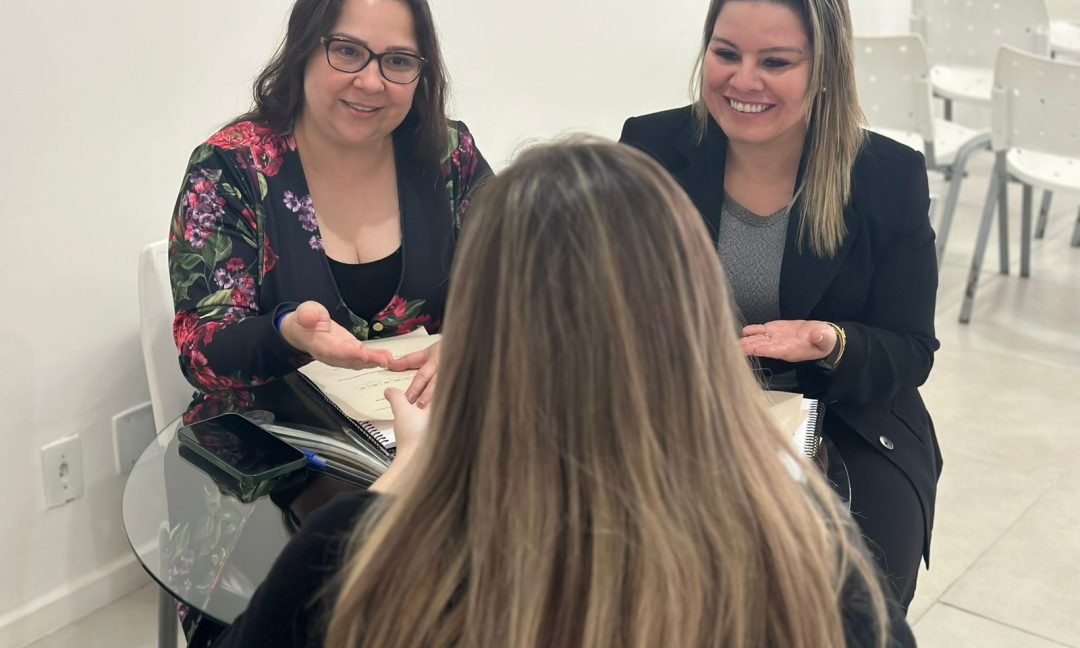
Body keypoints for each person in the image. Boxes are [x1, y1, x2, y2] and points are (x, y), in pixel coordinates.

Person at [209, 139, 914, 648]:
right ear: (695, 326)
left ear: (480, 336)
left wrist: (399, 485)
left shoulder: (349, 562)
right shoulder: (812, 568)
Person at [620, 0, 941, 610]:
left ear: (823, 70)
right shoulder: (650, 149)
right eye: (726, 53)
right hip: (682, 409)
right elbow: (605, 302)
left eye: (776, 62)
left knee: (851, 597)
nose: (743, 81)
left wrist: (831, 341)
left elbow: (911, 350)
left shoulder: (886, 178)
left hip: (846, 420)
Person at [169, 0, 492, 421]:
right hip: (278, 452)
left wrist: (469, 342)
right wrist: (285, 333)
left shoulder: (448, 155)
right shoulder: (230, 168)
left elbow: (522, 281)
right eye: (346, 51)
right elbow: (200, 352)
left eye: (398, 61)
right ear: (304, 48)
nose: (370, 81)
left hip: (429, 440)